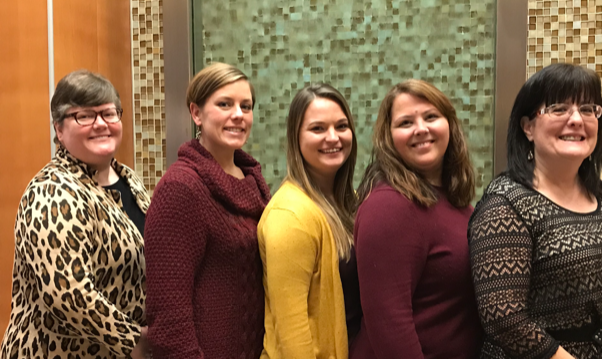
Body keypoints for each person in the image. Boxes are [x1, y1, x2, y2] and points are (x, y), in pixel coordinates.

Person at [468, 63, 602, 359]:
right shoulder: (505, 204)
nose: (577, 119)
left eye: (588, 109)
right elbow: (504, 319)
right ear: (528, 127)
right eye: (559, 109)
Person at [0, 70, 150, 358]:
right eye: (84, 116)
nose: (101, 124)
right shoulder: (51, 191)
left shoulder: (128, 178)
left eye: (109, 113)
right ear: (59, 128)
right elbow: (67, 293)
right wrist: (133, 340)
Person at [349, 79, 483, 359]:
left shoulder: (453, 201)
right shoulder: (388, 206)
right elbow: (390, 324)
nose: (421, 129)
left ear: (450, 125)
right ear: (389, 138)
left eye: (431, 117)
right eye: (405, 122)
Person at [144, 62, 270, 359]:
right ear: (196, 113)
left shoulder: (252, 180)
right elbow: (168, 321)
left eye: (246, 106)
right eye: (224, 104)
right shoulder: (181, 189)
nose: (238, 115)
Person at [258, 83, 360, 359]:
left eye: (341, 126)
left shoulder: (350, 201)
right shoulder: (289, 217)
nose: (333, 137)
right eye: (317, 129)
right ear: (296, 138)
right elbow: (292, 334)